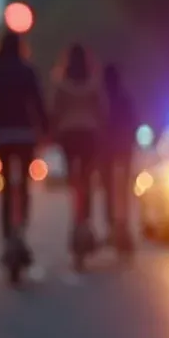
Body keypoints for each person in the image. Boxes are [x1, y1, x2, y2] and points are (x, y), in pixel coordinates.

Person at [0, 31, 48, 265]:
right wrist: (44, 130)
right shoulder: (27, 70)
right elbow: (38, 102)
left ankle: (8, 235)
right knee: (24, 187)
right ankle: (21, 228)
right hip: (25, 134)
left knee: (7, 187)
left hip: (3, 136)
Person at [51, 43, 108, 252]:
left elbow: (55, 111)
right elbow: (102, 110)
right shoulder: (93, 83)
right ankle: (86, 218)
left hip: (69, 135)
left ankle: (76, 218)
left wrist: (53, 132)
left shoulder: (61, 84)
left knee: (74, 179)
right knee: (87, 178)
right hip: (89, 135)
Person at [99, 64, 137, 247]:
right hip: (124, 148)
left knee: (109, 189)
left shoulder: (102, 99)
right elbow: (133, 122)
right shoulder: (125, 97)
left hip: (106, 149)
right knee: (122, 190)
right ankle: (123, 224)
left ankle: (112, 225)